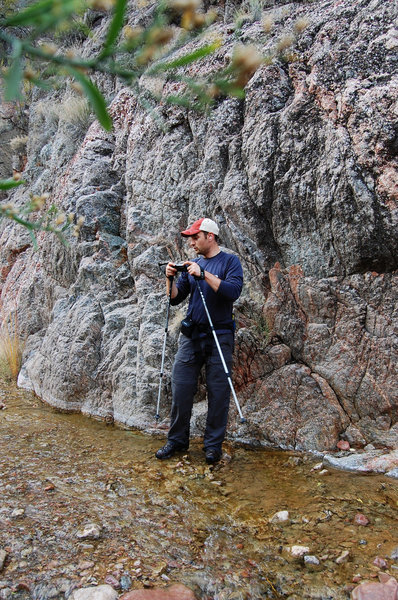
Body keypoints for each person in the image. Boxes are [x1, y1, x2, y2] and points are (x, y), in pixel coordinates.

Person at [155, 217, 244, 464]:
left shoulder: (230, 261)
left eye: (196, 237)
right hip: (191, 335)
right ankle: (176, 440)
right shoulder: (192, 264)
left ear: (210, 236)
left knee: (219, 392)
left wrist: (204, 275)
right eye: (190, 238)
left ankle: (212, 446)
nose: (192, 242)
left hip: (221, 335)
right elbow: (174, 299)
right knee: (181, 387)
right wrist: (169, 277)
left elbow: (232, 292)